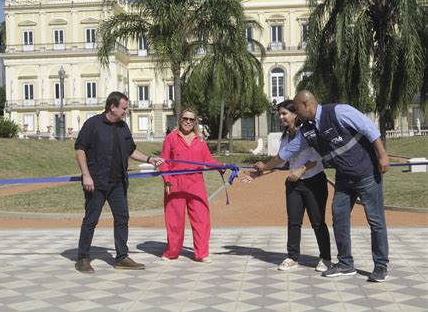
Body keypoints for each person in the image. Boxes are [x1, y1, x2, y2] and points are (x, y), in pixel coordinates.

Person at [254, 90, 390, 282]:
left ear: (306, 105)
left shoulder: (339, 112)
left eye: (296, 109)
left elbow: (369, 128)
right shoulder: (307, 130)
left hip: (366, 172)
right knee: (339, 217)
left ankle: (381, 266)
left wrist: (382, 155)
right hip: (344, 177)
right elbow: (284, 154)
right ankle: (345, 263)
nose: (295, 114)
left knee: (375, 221)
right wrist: (263, 167)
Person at [74, 91, 164, 273]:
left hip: (118, 183)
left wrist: (149, 159)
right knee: (91, 220)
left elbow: (131, 151)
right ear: (112, 107)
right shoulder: (93, 124)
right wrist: (86, 175)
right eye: (123, 108)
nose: (126, 111)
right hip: (97, 182)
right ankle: (83, 258)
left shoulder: (123, 127)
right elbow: (80, 149)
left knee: (122, 219)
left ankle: (122, 257)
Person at [242, 100, 332, 272]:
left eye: (284, 113)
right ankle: (292, 257)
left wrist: (301, 169)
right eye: (280, 114)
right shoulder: (285, 136)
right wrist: (256, 174)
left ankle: (326, 258)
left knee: (318, 222)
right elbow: (281, 162)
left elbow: (318, 157)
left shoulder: (307, 133)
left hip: (314, 181)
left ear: (295, 115)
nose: (281, 117)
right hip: (293, 184)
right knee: (293, 222)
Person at [159, 108, 223, 263]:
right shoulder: (171, 138)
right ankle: (172, 252)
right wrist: (166, 180)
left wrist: (222, 166)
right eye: (185, 118)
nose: (188, 122)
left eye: (191, 119)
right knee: (174, 220)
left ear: (195, 122)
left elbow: (208, 160)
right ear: (180, 119)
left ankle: (201, 253)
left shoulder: (200, 140)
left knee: (201, 219)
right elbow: (164, 162)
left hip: (196, 184)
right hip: (175, 183)